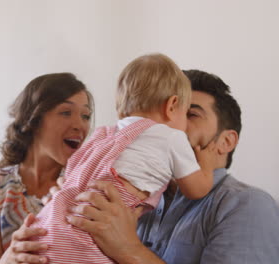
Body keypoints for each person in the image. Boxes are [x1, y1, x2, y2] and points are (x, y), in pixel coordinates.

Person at [65, 69, 279, 263]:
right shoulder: (134, 193)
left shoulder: (249, 206)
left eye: (191, 114)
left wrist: (129, 250)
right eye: (167, 114)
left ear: (226, 141)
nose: (166, 127)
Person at [29, 54, 218, 263]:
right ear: (172, 106)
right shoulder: (172, 137)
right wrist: (206, 164)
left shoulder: (106, 135)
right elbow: (196, 190)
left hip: (55, 224)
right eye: (186, 113)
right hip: (92, 231)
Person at [0, 72, 94, 264]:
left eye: (86, 116)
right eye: (66, 112)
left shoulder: (84, 189)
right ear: (34, 120)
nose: (80, 125)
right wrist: (9, 259)